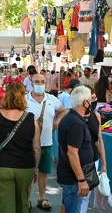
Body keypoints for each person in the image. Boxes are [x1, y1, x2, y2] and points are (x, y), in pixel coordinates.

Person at [0, 83, 41, 212]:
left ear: (6, 96)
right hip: (26, 166)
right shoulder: (31, 118)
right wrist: (35, 169)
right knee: (22, 203)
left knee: (4, 205)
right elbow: (36, 148)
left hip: (3, 165)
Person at [25, 74, 67, 210]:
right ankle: (27, 200)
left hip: (47, 142)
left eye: (42, 82)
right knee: (29, 173)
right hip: (28, 144)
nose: (40, 84)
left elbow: (63, 111)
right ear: (31, 82)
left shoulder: (52, 99)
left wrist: (56, 123)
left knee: (43, 172)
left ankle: (42, 198)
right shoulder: (24, 99)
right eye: (37, 81)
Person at [57, 85, 94, 212]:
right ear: (85, 102)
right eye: (90, 100)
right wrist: (81, 179)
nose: (91, 103)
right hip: (73, 179)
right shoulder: (75, 123)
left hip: (71, 177)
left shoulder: (71, 119)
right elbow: (72, 153)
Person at [80, 86, 107, 213]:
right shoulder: (72, 116)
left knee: (87, 194)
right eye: (92, 98)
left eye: (95, 98)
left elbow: (99, 141)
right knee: (72, 193)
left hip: (92, 160)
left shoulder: (96, 116)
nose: (94, 101)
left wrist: (104, 164)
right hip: (76, 160)